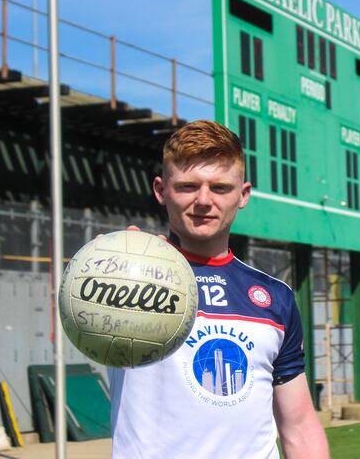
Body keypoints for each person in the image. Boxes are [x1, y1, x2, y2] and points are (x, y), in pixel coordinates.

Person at [108, 120, 329, 459]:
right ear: (160, 190)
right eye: (187, 186)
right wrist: (108, 266)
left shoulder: (275, 298)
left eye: (220, 188)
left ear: (243, 195)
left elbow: (298, 424)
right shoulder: (130, 279)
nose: (203, 200)